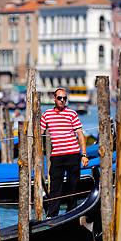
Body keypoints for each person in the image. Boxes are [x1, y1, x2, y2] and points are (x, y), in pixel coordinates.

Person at [40, 88, 89, 218]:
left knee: (73, 186)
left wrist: (84, 155)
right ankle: (52, 215)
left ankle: (71, 212)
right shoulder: (47, 114)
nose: (62, 100)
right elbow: (40, 133)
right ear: (54, 99)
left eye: (64, 98)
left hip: (73, 154)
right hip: (57, 156)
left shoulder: (72, 114)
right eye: (60, 98)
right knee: (56, 187)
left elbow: (80, 135)